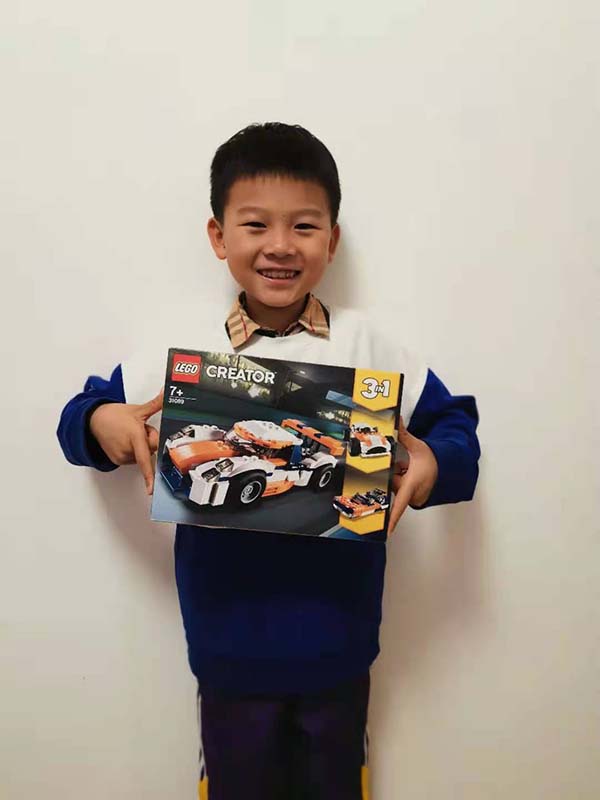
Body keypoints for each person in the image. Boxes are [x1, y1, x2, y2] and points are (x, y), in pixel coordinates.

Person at [57, 122, 480, 800]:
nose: (280, 245)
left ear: (331, 240)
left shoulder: (369, 347)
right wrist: (100, 422)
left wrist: (434, 467)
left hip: (340, 641)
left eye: (304, 226)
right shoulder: (183, 350)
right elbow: (82, 415)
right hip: (226, 644)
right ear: (219, 235)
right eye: (256, 224)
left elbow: (455, 428)